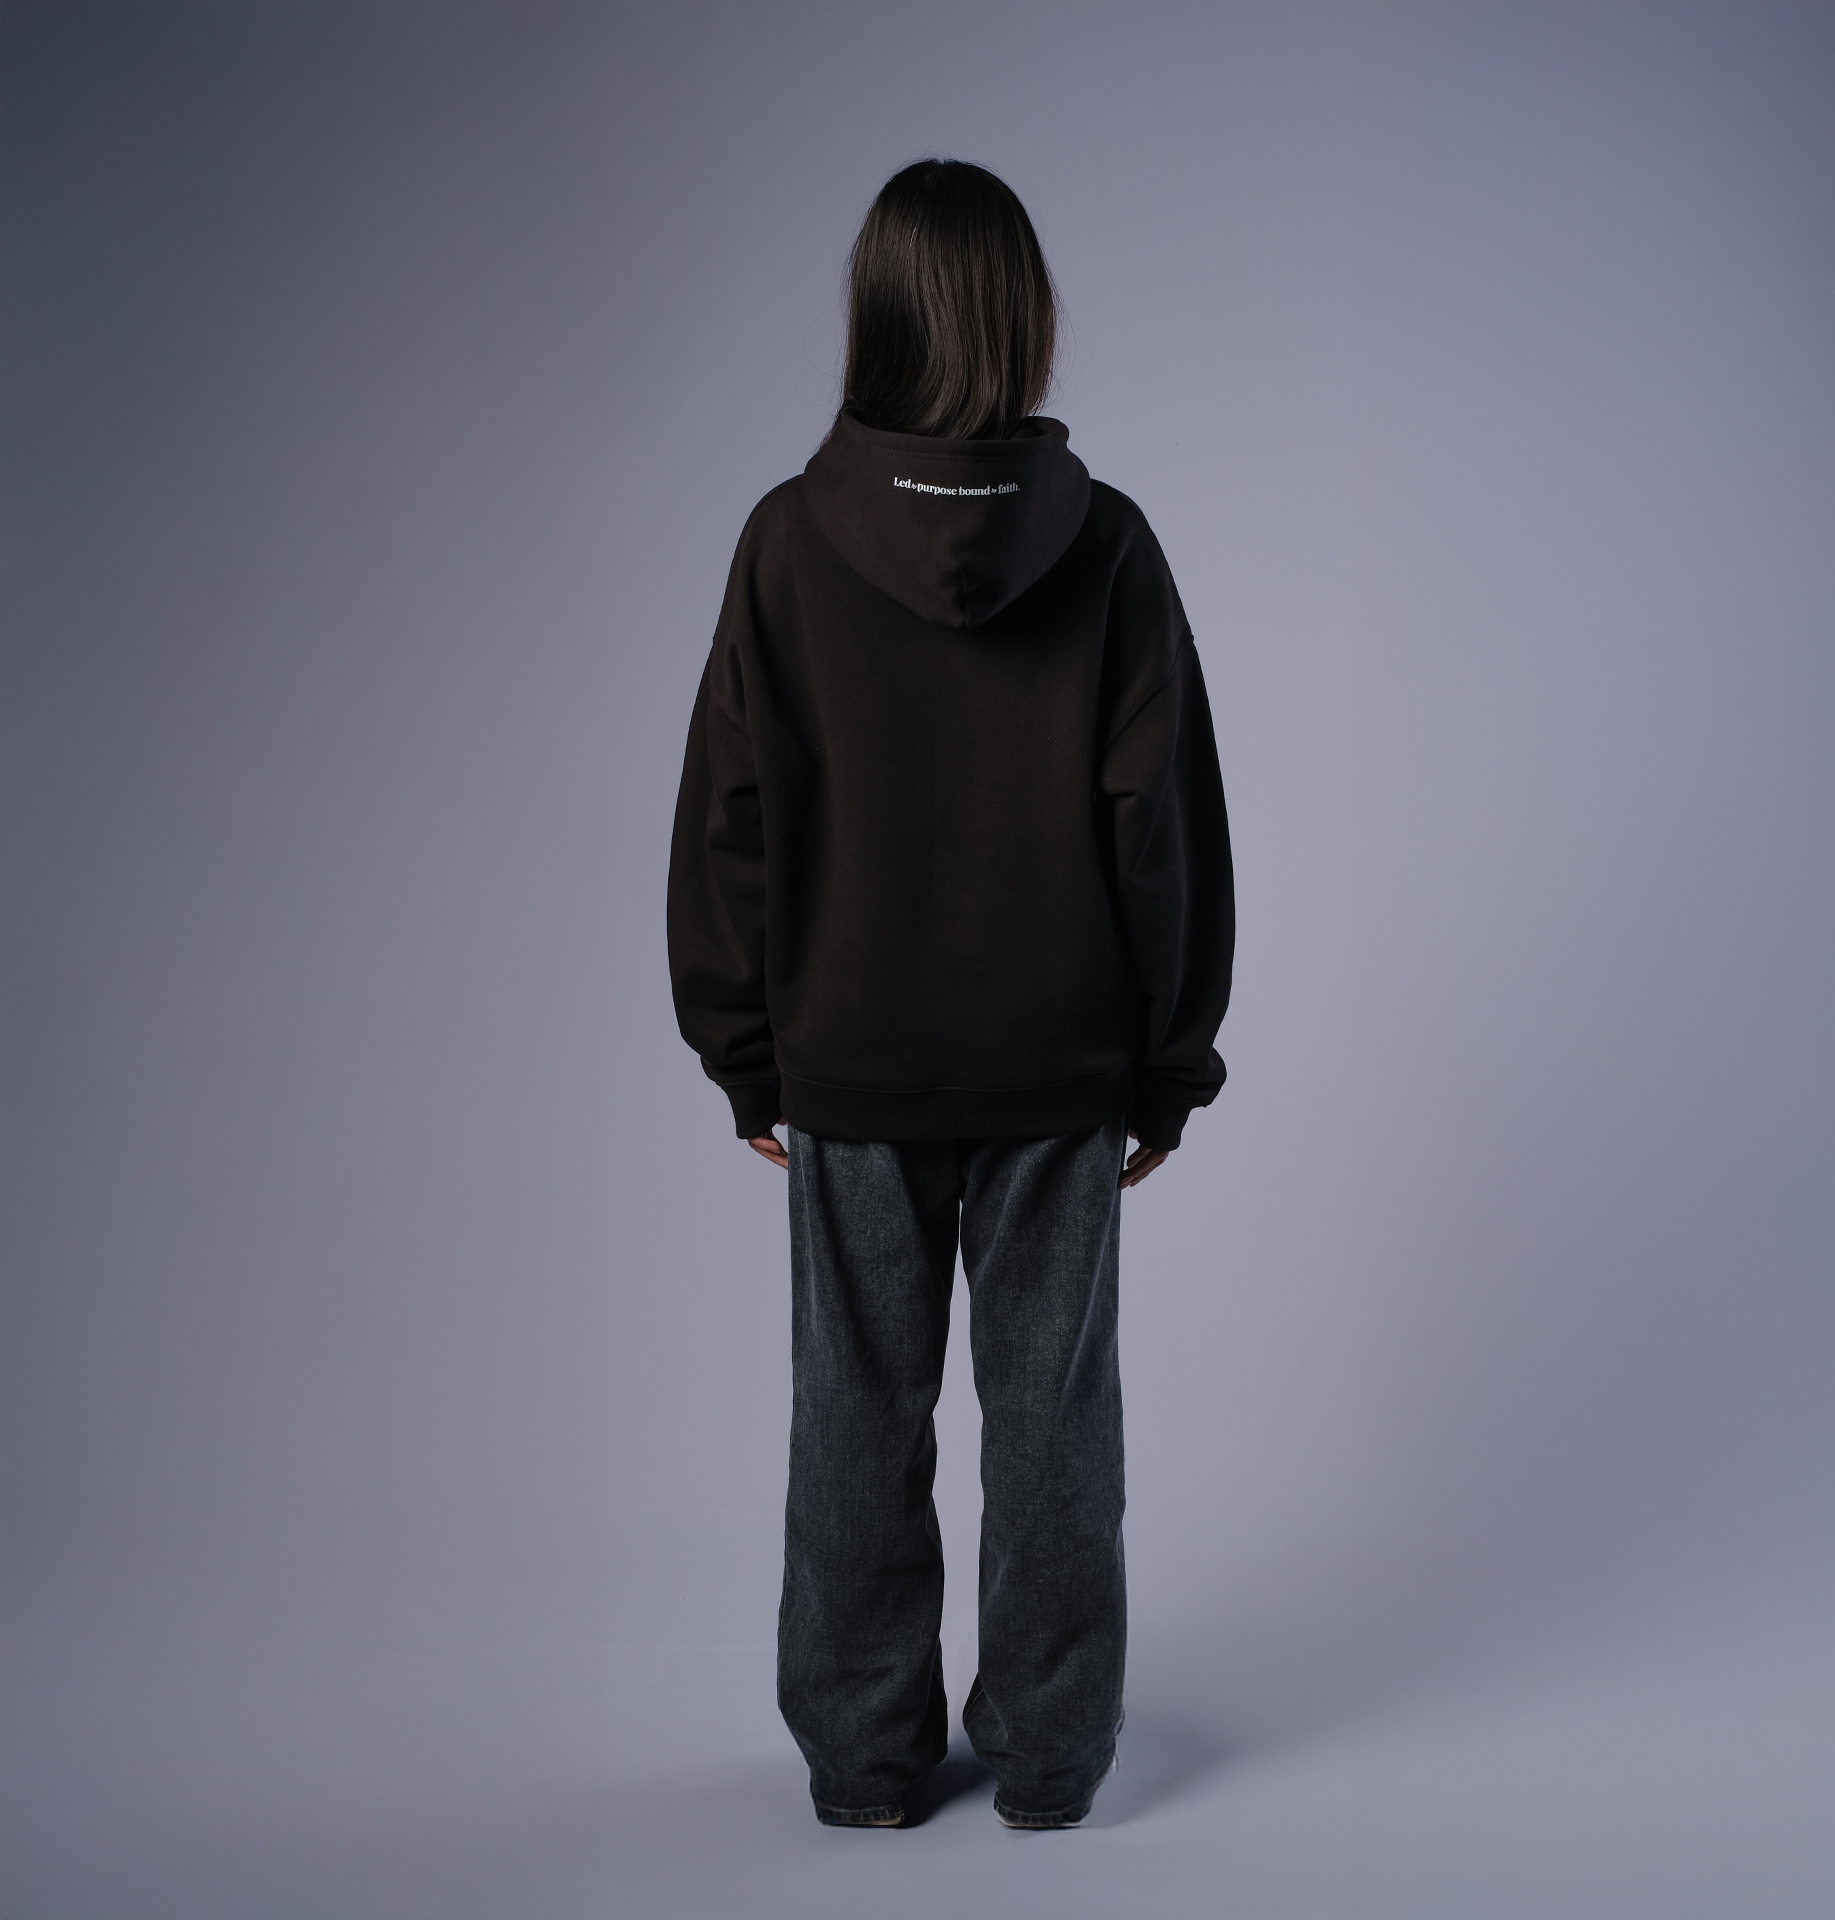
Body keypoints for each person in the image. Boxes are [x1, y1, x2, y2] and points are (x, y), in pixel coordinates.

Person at [667, 158, 1234, 1832]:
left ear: (876, 315)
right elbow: (1163, 824)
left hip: (851, 1059)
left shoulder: (788, 542)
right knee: (1052, 1419)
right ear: (1023, 319)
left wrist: (745, 1048)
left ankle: (863, 1761)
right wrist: (1167, 1059)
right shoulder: (1106, 546)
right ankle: (1051, 1761)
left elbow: (729, 814)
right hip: (1060, 1061)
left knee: (856, 1412)